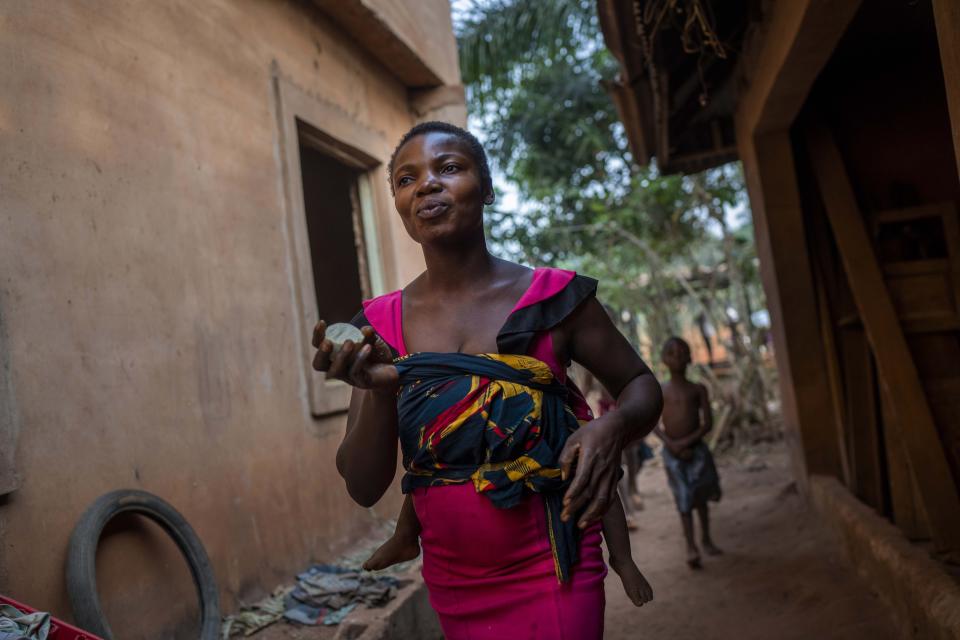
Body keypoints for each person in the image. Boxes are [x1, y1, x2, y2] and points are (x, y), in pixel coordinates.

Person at [311, 121, 663, 639]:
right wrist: (381, 390)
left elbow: (640, 385)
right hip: (455, 575)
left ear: (489, 187)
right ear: (399, 206)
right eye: (406, 180)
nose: (427, 184)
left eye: (449, 168)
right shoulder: (376, 328)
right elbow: (364, 487)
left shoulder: (554, 298)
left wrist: (614, 427)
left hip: (554, 559)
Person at [653, 337, 722, 569]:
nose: (678, 356)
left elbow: (708, 423)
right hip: (672, 454)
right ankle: (691, 546)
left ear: (691, 357)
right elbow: (652, 422)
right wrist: (671, 444)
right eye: (672, 353)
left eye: (682, 352)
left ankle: (706, 539)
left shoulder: (698, 389)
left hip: (697, 451)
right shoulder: (660, 391)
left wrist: (685, 443)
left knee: (700, 495)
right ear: (664, 359)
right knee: (683, 498)